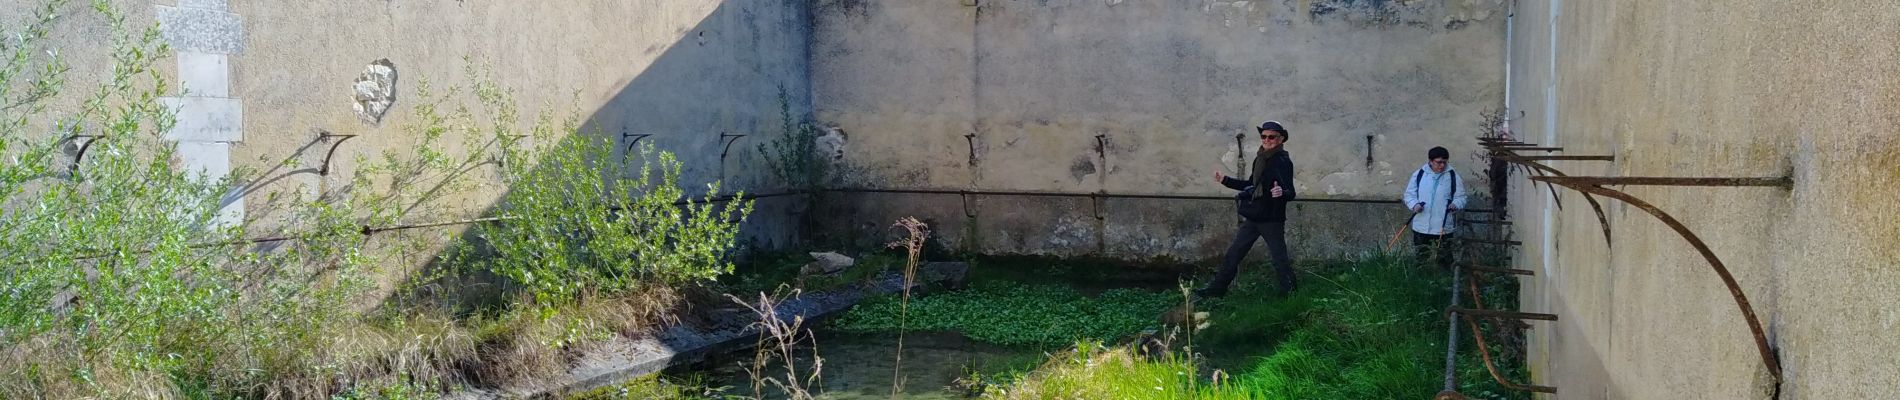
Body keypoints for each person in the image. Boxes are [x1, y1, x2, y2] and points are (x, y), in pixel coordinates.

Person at [1196, 120, 1297, 299]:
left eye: (1272, 136)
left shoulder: (1282, 161)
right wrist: (1225, 180)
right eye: (1264, 136)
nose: (1267, 140)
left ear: (1280, 139)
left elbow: (1291, 192)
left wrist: (1281, 192)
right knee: (1234, 253)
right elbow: (1251, 184)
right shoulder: (1260, 159)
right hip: (1255, 216)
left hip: (1271, 219)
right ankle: (1216, 290)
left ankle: (1291, 293)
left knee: (1279, 258)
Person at [1403, 146, 1468, 270]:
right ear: (1431, 161)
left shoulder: (1453, 176)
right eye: (1439, 162)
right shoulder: (1419, 174)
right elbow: (1409, 195)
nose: (1442, 165)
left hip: (1443, 227)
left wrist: (1455, 205)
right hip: (1421, 225)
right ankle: (1421, 280)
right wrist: (1414, 205)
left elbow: (1461, 197)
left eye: (1445, 162)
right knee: (1421, 259)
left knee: (1445, 259)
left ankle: (1444, 282)